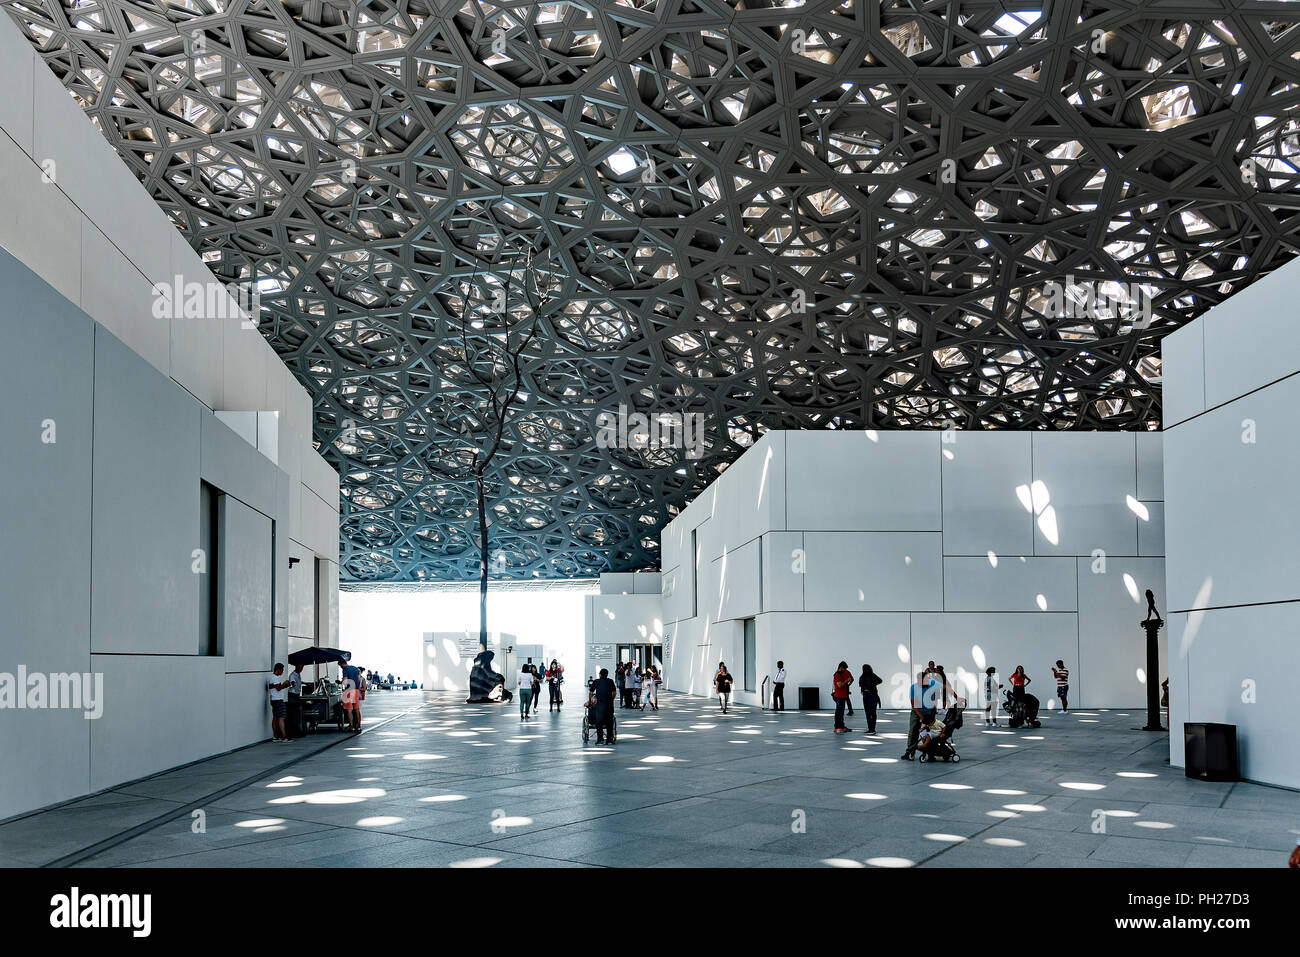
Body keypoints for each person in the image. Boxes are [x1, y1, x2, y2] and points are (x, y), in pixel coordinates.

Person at [901, 671, 936, 760]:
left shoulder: (932, 685)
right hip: (917, 711)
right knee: (913, 731)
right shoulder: (913, 687)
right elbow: (914, 705)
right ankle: (910, 752)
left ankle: (930, 753)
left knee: (931, 732)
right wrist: (921, 717)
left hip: (929, 711)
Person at [587, 667, 617, 745]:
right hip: (609, 705)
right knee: (610, 722)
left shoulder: (596, 681)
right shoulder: (610, 681)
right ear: (607, 675)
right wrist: (611, 699)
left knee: (599, 723)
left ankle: (600, 740)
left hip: (600, 706)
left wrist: (590, 702)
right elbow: (614, 693)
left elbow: (590, 693)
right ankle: (609, 740)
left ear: (600, 675)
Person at [267, 663, 291, 742]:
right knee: (280, 718)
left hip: (275, 700)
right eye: (282, 670)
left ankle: (276, 736)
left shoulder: (273, 678)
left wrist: (285, 685)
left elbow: (277, 688)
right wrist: (285, 683)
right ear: (278, 669)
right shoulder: (274, 678)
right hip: (277, 700)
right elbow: (278, 688)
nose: (282, 672)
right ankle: (284, 737)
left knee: (276, 718)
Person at [858, 664, 882, 734]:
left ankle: (870, 729)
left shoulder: (862, 677)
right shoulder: (873, 675)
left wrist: (866, 689)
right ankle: (873, 729)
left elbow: (862, 686)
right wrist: (874, 685)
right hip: (874, 696)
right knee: (873, 713)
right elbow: (880, 680)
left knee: (868, 713)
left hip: (867, 697)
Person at [831, 661, 854, 733]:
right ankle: (837, 727)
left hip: (843, 695)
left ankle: (842, 726)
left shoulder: (844, 673)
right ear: (841, 668)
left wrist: (847, 684)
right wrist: (847, 681)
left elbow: (852, 679)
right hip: (838, 696)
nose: (845, 670)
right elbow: (840, 685)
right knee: (838, 712)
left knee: (841, 712)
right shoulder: (837, 675)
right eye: (844, 669)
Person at [342, 660, 363, 731]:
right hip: (356, 690)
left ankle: (351, 726)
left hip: (349, 691)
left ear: (342, 664)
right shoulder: (355, 668)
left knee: (349, 710)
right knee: (356, 708)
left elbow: (345, 681)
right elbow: (359, 679)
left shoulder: (345, 669)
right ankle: (359, 725)